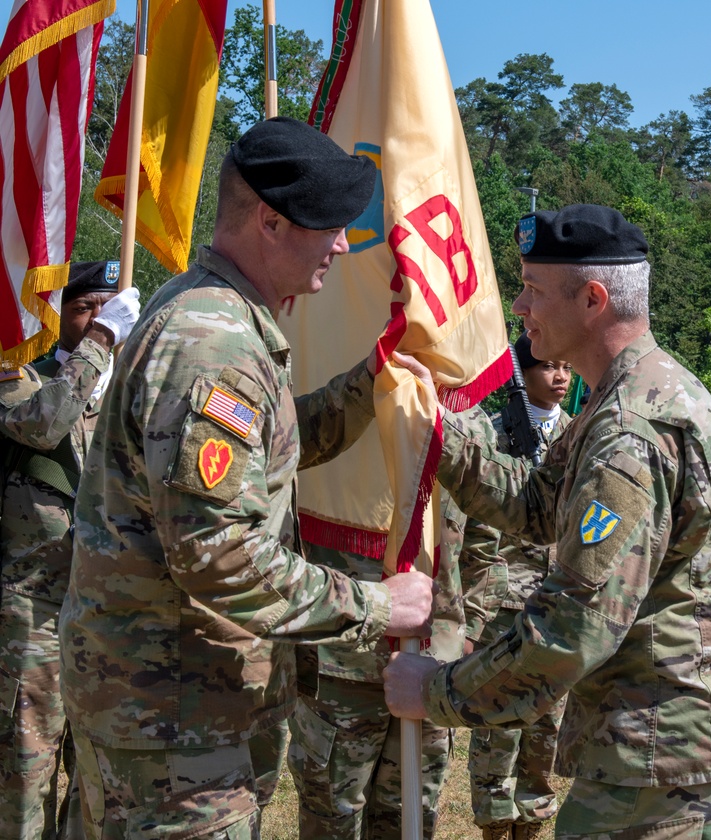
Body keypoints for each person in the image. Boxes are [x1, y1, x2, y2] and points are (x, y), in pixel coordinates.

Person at [57, 116, 436, 840]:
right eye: (325, 223)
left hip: (166, 707)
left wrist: (366, 384)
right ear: (268, 221)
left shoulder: (209, 313)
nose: (337, 242)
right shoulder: (214, 344)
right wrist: (374, 606)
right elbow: (217, 552)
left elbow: (260, 463)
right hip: (176, 724)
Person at [384, 203, 711, 839]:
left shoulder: (631, 428)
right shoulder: (628, 395)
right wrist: (441, 432)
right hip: (702, 743)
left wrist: (437, 691)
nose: (519, 308)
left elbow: (574, 628)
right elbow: (539, 504)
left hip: (676, 768)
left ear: (593, 300)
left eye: (533, 289)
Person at [0, 261, 139, 840]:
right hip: (33, 617)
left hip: (106, 619)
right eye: (85, 309)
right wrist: (104, 340)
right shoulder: (17, 379)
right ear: (58, 316)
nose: (95, 320)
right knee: (23, 779)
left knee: (98, 783)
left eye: (108, 309)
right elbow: (45, 424)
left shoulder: (132, 402)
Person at [288, 490, 468, 840]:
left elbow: (482, 534)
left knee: (411, 816)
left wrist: (471, 624)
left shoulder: (454, 435)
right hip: (340, 663)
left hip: (430, 663)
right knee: (332, 816)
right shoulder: (333, 441)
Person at [460, 331, 572, 840]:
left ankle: (532, 820)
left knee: (545, 727)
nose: (561, 377)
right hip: (502, 603)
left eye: (567, 367)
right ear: (520, 375)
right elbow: (473, 528)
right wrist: (473, 608)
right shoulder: (492, 432)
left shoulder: (578, 432)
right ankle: (492, 823)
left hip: (558, 604)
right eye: (549, 366)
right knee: (497, 726)